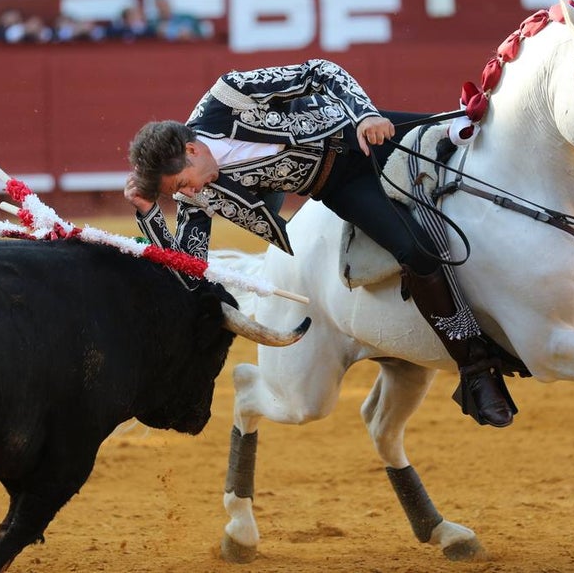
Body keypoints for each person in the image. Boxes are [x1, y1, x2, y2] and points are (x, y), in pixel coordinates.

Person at [124, 60, 516, 427]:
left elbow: (320, 71)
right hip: (341, 185)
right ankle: (477, 369)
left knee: (474, 136)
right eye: (178, 192)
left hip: (362, 134)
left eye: (181, 184)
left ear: (192, 150)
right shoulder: (196, 195)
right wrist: (148, 215)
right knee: (416, 250)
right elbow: (190, 272)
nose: (187, 193)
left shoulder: (228, 96)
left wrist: (365, 114)